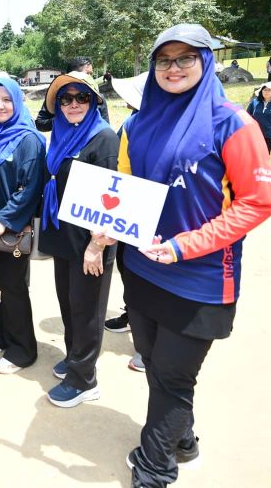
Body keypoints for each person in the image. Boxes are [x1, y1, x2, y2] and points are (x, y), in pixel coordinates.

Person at [108, 23, 271, 487]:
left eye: (185, 58)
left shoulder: (234, 123)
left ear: (206, 62)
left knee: (174, 378)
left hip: (201, 279)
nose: (174, 67)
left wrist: (185, 245)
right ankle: (184, 439)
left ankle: (155, 468)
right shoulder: (134, 125)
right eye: (164, 59)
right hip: (141, 271)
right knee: (156, 365)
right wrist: (107, 226)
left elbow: (256, 203)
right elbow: (126, 191)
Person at [37, 71, 119, 407]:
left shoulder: (103, 138)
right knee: (69, 303)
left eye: (81, 97)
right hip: (63, 235)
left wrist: (96, 245)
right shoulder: (61, 133)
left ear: (94, 101)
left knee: (88, 309)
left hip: (90, 241)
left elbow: (112, 197)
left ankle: (85, 379)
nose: (73, 104)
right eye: (65, 99)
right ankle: (76, 357)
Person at [0, 78, 45, 375]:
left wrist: (3, 220)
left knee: (13, 286)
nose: (0, 106)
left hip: (11, 226)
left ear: (17, 102)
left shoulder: (28, 139)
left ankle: (23, 348)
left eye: (7, 100)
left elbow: (30, 188)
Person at [104, 72, 149, 374]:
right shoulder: (131, 124)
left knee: (148, 276)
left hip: (151, 210)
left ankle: (146, 346)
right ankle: (132, 314)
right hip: (127, 207)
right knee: (128, 267)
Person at [35, 56, 109, 131]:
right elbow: (40, 123)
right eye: (87, 73)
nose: (90, 78)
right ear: (71, 75)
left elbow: (106, 126)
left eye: (91, 74)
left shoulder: (99, 98)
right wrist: (64, 118)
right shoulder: (57, 96)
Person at [245, 82, 271, 153]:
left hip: (269, 134)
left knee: (265, 153)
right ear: (261, 91)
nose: (267, 92)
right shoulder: (255, 102)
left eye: (269, 90)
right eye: (265, 90)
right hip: (255, 133)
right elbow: (247, 116)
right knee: (254, 153)